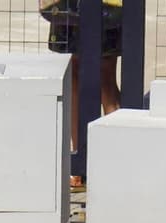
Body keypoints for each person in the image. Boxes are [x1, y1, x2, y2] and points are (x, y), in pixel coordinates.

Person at [41, 0, 122, 189]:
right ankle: (81, 165)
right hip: (69, 6)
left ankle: (116, 161)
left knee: (105, 76)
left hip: (105, 5)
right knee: (76, 72)